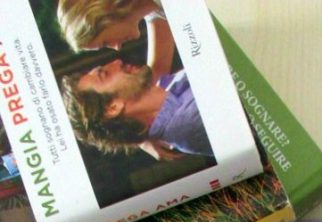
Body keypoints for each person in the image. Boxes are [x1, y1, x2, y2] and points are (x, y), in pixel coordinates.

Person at [60, 59, 213, 158]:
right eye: (105, 74)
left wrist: (141, 140)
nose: (117, 62)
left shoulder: (163, 87)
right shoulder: (188, 123)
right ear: (113, 108)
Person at [57, 0, 175, 79]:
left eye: (105, 42)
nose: (117, 47)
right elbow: (158, 70)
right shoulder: (153, 11)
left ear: (102, 14)